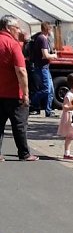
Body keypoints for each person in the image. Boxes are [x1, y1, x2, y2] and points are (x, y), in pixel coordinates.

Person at [0, 15, 38, 162]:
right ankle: (24, 153)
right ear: (8, 28)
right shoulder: (12, 44)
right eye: (17, 27)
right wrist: (26, 93)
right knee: (20, 124)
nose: (19, 31)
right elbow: (21, 71)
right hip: (13, 93)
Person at [30, 21, 57, 117]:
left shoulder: (42, 38)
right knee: (46, 89)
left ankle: (48, 111)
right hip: (42, 68)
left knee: (50, 90)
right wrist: (54, 55)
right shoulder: (43, 39)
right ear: (48, 29)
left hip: (44, 67)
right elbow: (45, 55)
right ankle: (31, 102)